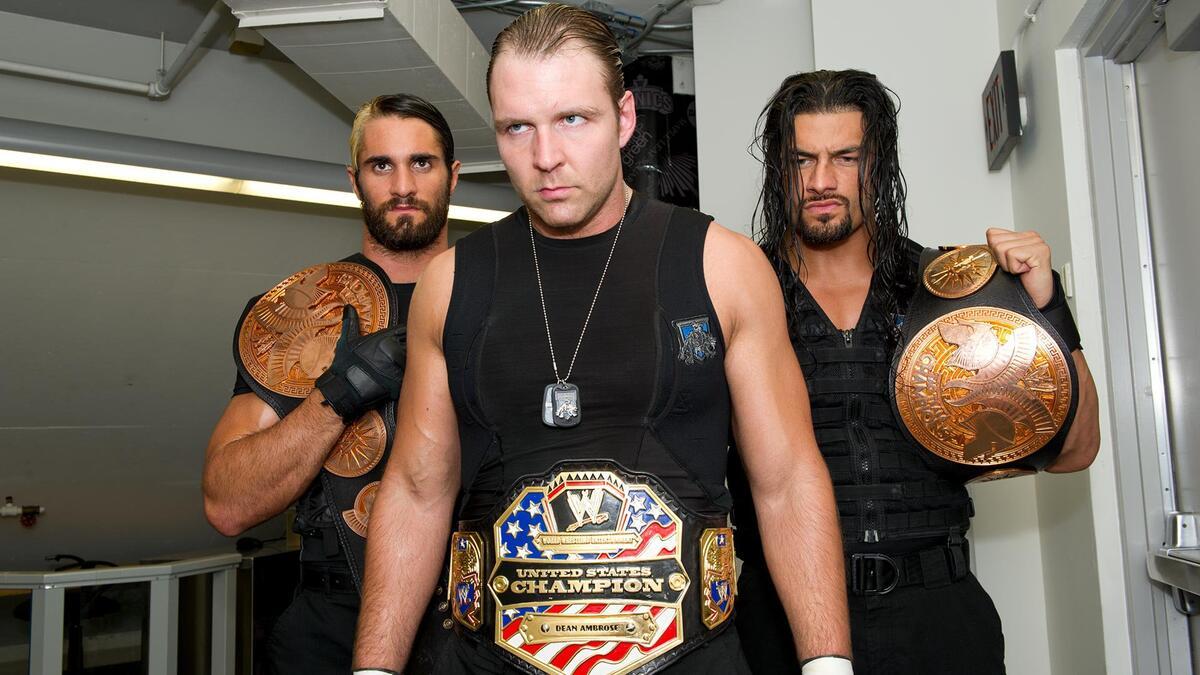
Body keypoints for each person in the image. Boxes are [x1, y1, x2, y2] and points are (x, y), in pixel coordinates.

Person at [352, 5, 852, 675]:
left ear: (623, 118)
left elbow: (787, 479)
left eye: (572, 120)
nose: (546, 157)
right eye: (517, 128)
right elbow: (415, 493)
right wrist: (374, 669)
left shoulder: (721, 266)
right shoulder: (451, 284)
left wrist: (828, 664)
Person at [729, 69, 1102, 674]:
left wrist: (1048, 307)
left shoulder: (951, 291)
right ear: (778, 171)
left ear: (879, 164)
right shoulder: (739, 293)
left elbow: (1074, 451)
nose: (822, 181)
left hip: (937, 617)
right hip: (780, 622)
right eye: (802, 160)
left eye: (846, 157)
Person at [201, 93, 460, 675]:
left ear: (453, 175)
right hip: (333, 613)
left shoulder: (503, 299)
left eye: (422, 163)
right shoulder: (298, 314)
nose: (402, 185)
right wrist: (339, 394)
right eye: (380, 165)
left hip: (474, 610)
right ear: (354, 180)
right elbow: (226, 503)